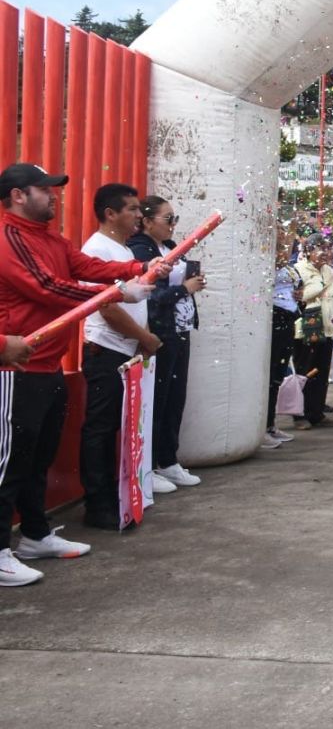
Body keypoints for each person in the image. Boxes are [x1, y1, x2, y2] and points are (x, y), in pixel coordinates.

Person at [1, 165, 161, 577]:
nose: (53, 196)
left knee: (39, 457)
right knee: (11, 462)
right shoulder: (8, 237)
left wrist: (134, 271)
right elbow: (46, 287)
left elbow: (84, 266)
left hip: (47, 364)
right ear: (18, 195)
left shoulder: (50, 238)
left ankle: (35, 534)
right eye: (44, 189)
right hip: (16, 368)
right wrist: (117, 293)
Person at [81, 184, 176, 523]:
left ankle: (119, 497)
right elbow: (106, 307)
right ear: (110, 214)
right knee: (101, 429)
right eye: (133, 209)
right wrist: (145, 337)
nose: (139, 215)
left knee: (119, 429)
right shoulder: (97, 249)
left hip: (127, 351)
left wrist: (140, 340)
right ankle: (98, 505)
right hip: (106, 350)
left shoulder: (122, 250)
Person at [128, 194, 205, 489]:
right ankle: (148, 466)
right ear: (147, 222)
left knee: (175, 397)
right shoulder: (141, 250)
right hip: (160, 332)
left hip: (180, 330)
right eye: (168, 218)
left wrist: (191, 284)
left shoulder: (171, 247)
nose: (173, 224)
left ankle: (168, 460)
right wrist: (183, 289)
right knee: (158, 399)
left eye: (175, 218)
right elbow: (149, 295)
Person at [292, 234, 333, 430]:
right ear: (308, 251)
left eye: (327, 248)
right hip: (306, 330)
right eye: (319, 248)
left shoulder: (329, 270)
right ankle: (300, 415)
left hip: (328, 328)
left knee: (321, 372)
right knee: (305, 372)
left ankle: (316, 413)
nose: (325, 252)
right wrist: (318, 287)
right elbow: (298, 297)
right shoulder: (298, 270)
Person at [264, 230, 301, 449]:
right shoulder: (266, 260)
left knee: (278, 375)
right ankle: (263, 426)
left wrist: (299, 296)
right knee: (269, 376)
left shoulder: (287, 265)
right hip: (274, 319)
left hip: (288, 319)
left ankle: (270, 424)